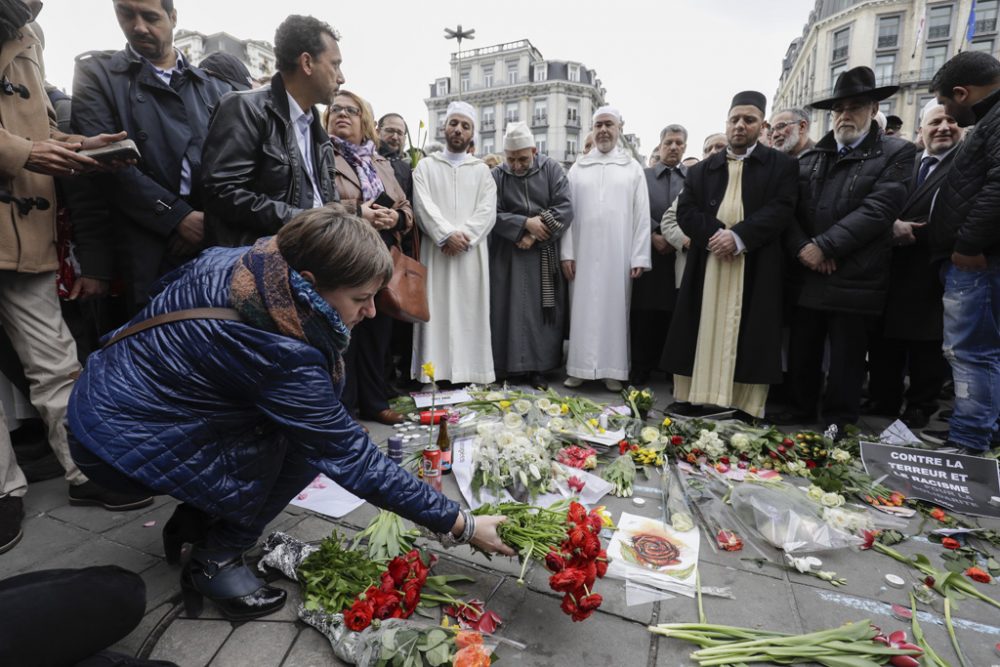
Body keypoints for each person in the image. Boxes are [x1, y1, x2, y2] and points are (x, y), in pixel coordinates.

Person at [67, 207, 514, 621]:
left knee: (288, 429)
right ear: (309, 280)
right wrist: (463, 524)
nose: (371, 311)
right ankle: (216, 559)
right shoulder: (279, 350)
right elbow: (350, 456)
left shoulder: (249, 261)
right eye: (361, 297)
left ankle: (197, 518)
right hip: (116, 446)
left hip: (107, 403)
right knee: (302, 448)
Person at [0, 0, 154, 556]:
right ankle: (2, 491)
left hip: (23, 224)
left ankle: (84, 466)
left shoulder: (29, 30)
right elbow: (22, 141)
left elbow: (35, 124)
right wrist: (22, 151)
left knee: (56, 359)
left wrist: (77, 145)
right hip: (15, 203)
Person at [70, 0, 233, 315]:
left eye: (150, 16)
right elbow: (105, 164)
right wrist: (176, 217)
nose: (138, 27)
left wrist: (205, 221)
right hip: (143, 250)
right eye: (126, 15)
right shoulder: (98, 75)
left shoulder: (214, 86)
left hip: (212, 248)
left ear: (172, 17)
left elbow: (232, 168)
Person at [778, 66, 915, 432]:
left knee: (847, 357)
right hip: (809, 272)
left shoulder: (896, 153)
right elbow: (788, 211)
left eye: (855, 106)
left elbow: (879, 209)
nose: (844, 115)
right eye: (839, 108)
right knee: (804, 350)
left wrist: (824, 247)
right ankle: (800, 408)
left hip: (857, 275)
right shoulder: (810, 158)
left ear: (873, 110)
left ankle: (840, 421)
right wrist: (805, 248)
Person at [662, 92, 798, 419]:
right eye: (734, 119)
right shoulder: (700, 170)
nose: (740, 125)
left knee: (751, 331)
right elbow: (686, 211)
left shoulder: (782, 165)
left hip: (755, 261)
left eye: (749, 120)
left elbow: (782, 209)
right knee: (698, 326)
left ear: (761, 125)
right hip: (708, 262)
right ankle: (692, 397)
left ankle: (745, 404)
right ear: (727, 122)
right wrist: (715, 235)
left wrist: (738, 237)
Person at [202, 14, 341, 247]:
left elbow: (326, 201)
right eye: (335, 65)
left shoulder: (320, 135)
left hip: (310, 259)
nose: (341, 77)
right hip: (255, 263)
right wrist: (303, 221)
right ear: (307, 63)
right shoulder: (245, 108)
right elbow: (221, 192)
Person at [866, 101, 962, 429]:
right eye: (935, 122)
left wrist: (911, 229)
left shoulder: (966, 165)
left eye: (951, 120)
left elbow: (961, 215)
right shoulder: (906, 163)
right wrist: (889, 223)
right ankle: (884, 396)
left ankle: (921, 403)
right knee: (885, 338)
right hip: (891, 265)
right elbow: (880, 201)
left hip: (933, 267)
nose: (944, 127)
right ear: (921, 130)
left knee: (926, 344)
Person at [924, 51, 1000, 454]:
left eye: (946, 105)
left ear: (961, 93)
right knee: (981, 350)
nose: (948, 116)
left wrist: (968, 244)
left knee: (970, 352)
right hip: (980, 260)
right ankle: (981, 429)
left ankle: (969, 440)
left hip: (979, 262)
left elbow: (997, 186)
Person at [324, 90, 411, 425]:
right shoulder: (322, 154)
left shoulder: (381, 163)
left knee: (377, 333)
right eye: (336, 109)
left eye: (352, 110)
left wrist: (397, 219)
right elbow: (317, 203)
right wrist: (357, 211)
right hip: (344, 252)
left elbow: (405, 207)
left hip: (383, 253)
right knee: (344, 333)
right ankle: (343, 410)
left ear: (365, 122)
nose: (342, 114)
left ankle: (375, 402)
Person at [562, 106, 650, 391]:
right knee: (582, 309)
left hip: (618, 252)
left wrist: (639, 254)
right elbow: (567, 215)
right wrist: (568, 253)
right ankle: (580, 368)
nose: (602, 130)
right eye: (598, 125)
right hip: (583, 253)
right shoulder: (578, 168)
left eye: (608, 125)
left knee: (615, 308)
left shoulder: (632, 168)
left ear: (618, 129)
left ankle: (613, 369)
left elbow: (641, 214)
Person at [411, 101, 497, 385]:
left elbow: (487, 209)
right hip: (436, 252)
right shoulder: (425, 167)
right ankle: (433, 374)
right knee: (435, 311)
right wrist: (445, 234)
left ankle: (470, 373)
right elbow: (422, 206)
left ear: (472, 134)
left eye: (465, 126)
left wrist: (464, 237)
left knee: (469, 311)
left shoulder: (482, 171)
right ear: (444, 127)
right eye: (454, 124)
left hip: (470, 256)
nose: (458, 130)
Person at [489, 122, 573, 390]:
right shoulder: (496, 175)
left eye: (522, 159)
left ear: (534, 151)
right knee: (507, 308)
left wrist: (536, 232)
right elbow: (490, 211)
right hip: (508, 253)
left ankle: (539, 368)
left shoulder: (552, 169)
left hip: (543, 251)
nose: (515, 165)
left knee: (541, 312)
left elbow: (566, 206)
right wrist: (524, 224)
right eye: (510, 159)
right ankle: (509, 366)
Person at [630, 124, 687, 385]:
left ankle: (670, 368)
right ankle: (641, 367)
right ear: (660, 145)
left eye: (679, 143)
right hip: (649, 253)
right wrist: (653, 234)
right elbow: (634, 208)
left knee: (675, 314)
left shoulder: (694, 178)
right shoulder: (643, 176)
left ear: (685, 146)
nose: (673, 147)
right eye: (669, 142)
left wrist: (679, 238)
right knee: (644, 313)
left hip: (681, 256)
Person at [662, 134, 728, 291]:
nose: (713, 152)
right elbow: (669, 221)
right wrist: (688, 242)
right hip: (692, 270)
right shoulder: (693, 185)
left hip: (729, 267)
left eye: (719, 147)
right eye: (707, 149)